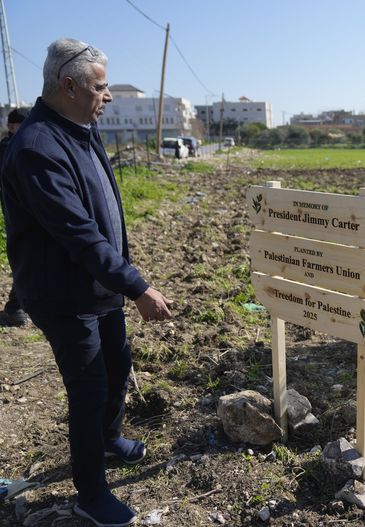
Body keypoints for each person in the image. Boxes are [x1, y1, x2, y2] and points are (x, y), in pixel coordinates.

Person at [1, 38, 173, 527]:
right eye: (101, 86)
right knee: (89, 387)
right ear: (69, 85)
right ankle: (91, 493)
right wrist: (137, 286)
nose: (109, 95)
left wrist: (123, 279)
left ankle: (110, 438)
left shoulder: (81, 127)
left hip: (98, 287)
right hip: (63, 292)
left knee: (118, 364)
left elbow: (105, 213)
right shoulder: (36, 148)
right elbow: (77, 233)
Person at [0, 107, 30, 326]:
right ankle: (14, 308)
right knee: (27, 258)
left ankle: (19, 306)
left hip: (32, 213)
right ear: (11, 127)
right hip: (19, 215)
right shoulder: (8, 149)